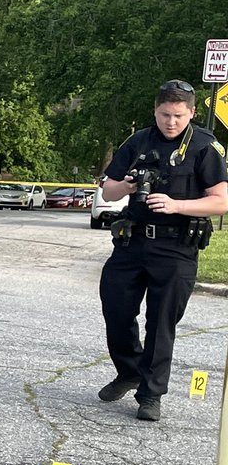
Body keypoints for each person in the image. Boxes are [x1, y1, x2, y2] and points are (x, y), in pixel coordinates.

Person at [97, 80, 228, 422]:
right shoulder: (139, 140)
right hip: (133, 241)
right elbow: (108, 192)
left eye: (178, 116)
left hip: (176, 246)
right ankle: (129, 371)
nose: (171, 122)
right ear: (155, 111)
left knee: (161, 322)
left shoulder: (204, 145)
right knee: (116, 309)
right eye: (165, 114)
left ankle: (151, 394)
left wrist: (176, 205)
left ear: (192, 113)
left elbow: (221, 201)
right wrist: (126, 185)